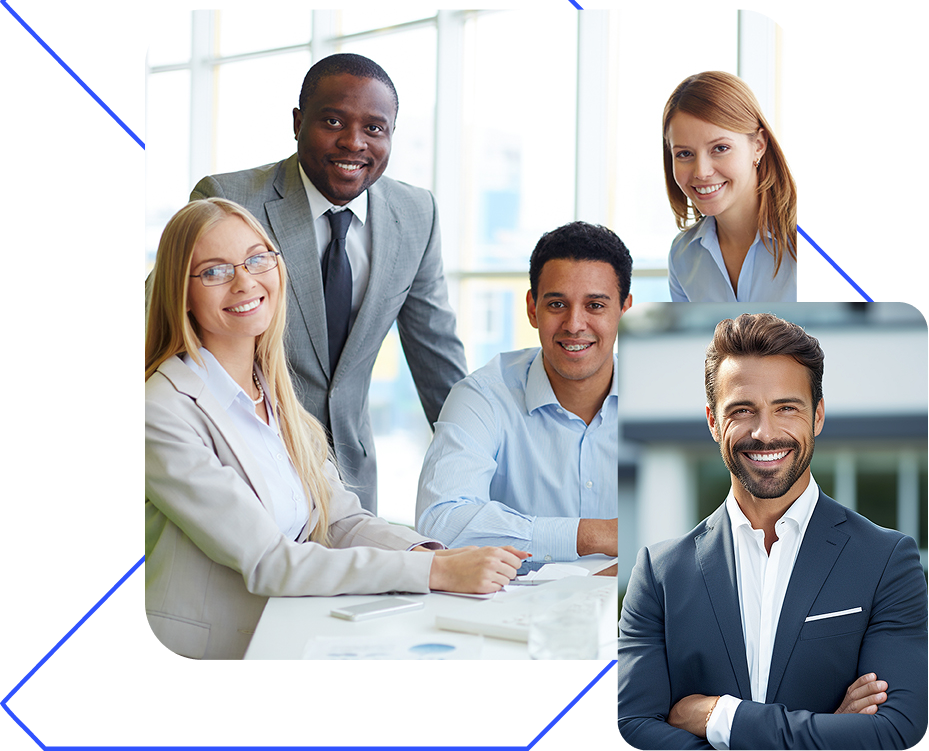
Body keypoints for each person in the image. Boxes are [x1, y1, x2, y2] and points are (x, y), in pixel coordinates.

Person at [145, 198, 527, 660]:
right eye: (214, 271)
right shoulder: (163, 410)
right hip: (214, 646)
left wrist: (434, 554)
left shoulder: (276, 395)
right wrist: (432, 572)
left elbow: (340, 521)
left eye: (257, 258)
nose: (246, 281)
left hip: (292, 633)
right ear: (180, 293)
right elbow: (270, 562)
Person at [616, 313, 927, 751]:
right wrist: (827, 731)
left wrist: (718, 716)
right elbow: (632, 726)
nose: (765, 433)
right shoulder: (659, 574)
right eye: (743, 410)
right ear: (712, 421)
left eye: (786, 408)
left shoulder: (886, 560)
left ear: (817, 415)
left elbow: (894, 731)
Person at [187, 52, 468, 512]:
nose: (353, 143)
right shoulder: (230, 199)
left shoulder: (416, 214)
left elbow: (437, 357)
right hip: (242, 463)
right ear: (298, 122)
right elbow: (166, 327)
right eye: (333, 121)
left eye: (374, 129)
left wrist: (478, 465)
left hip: (352, 476)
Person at [415, 222, 632, 568]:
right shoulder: (482, 396)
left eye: (595, 306)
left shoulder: (662, 398)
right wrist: (595, 536)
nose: (574, 324)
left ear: (623, 309)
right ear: (532, 308)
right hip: (514, 611)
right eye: (557, 304)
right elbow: (441, 523)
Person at [663, 72, 797, 302]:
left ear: (758, 145)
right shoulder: (683, 256)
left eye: (720, 148)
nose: (701, 172)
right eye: (685, 154)